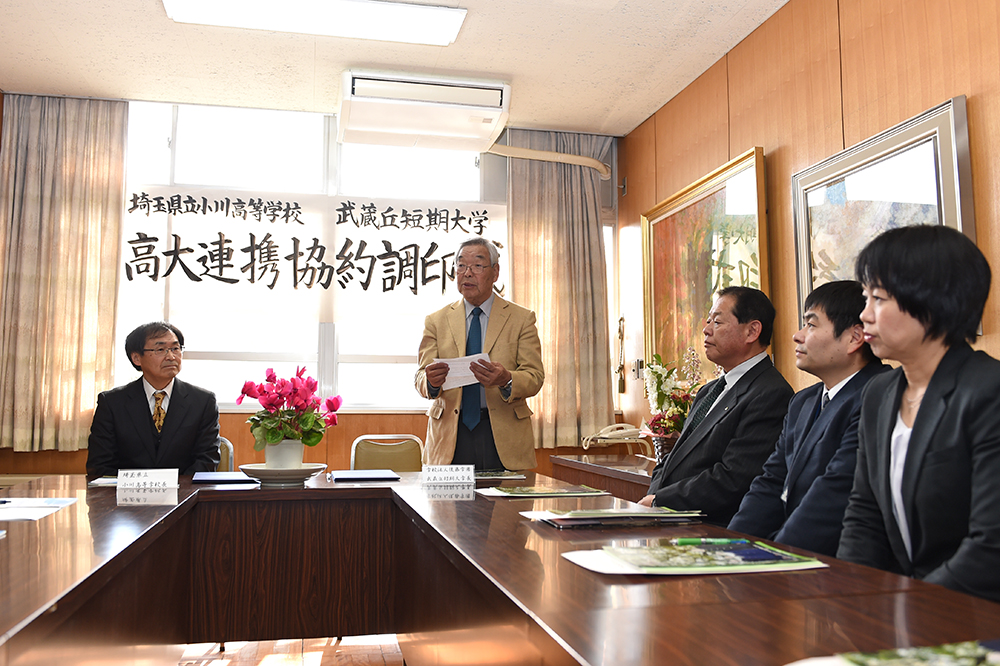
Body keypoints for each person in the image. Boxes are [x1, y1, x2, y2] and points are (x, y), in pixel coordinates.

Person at [837, 225, 1000, 602]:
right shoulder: (879, 392)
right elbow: (864, 515)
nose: (865, 315)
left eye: (878, 298)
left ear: (933, 301)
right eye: (866, 297)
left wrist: (905, 608)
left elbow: (991, 546)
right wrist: (850, 598)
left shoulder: (988, 390)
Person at [728, 281, 887, 556]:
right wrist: (730, 547)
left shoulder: (877, 395)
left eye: (811, 325)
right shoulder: (803, 401)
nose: (797, 336)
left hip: (839, 560)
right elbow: (771, 481)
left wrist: (773, 555)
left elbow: (833, 496)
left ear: (854, 337)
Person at [639, 286, 793, 525]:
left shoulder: (770, 393)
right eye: (708, 320)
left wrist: (661, 500)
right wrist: (654, 497)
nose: (706, 330)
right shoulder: (709, 391)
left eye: (717, 322)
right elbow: (674, 459)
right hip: (671, 521)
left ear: (752, 331)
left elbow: (734, 478)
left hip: (715, 530)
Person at [414, 238, 544, 471]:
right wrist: (431, 383)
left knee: (506, 507)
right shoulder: (436, 321)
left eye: (477, 266)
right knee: (447, 508)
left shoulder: (521, 319)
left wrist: (506, 379)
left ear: (495, 272)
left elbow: (534, 376)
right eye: (461, 266)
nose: (467, 273)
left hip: (501, 435)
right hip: (450, 436)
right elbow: (420, 377)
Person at [86, 321, 221, 477]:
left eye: (175, 349)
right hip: (127, 497)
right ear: (136, 358)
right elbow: (100, 465)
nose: (171, 356)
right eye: (160, 349)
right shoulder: (112, 403)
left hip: (185, 496)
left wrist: (175, 490)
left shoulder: (203, 401)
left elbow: (207, 460)